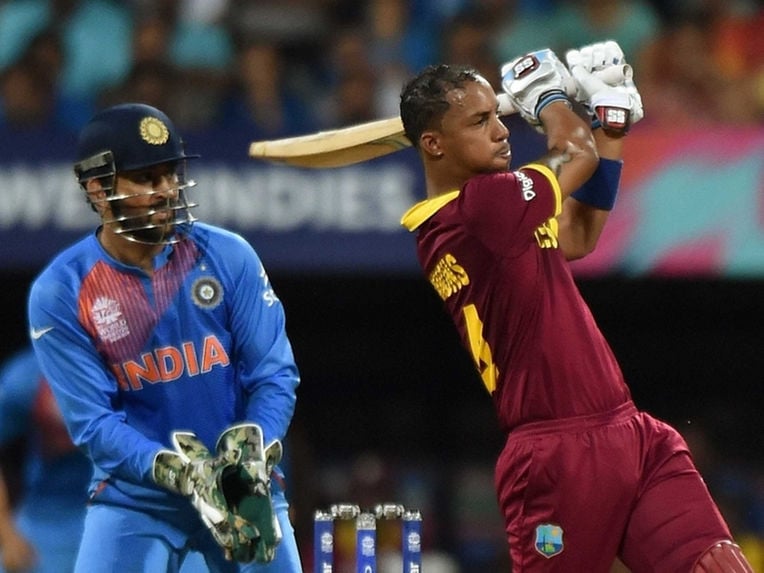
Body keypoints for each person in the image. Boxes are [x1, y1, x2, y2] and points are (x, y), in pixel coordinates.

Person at [398, 42, 754, 572]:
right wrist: (547, 95)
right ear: (433, 143)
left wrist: (610, 129)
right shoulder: (483, 210)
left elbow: (579, 236)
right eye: (479, 121)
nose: (499, 131)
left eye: (498, 114)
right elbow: (573, 151)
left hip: (633, 434)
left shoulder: (490, 216)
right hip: (556, 456)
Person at [26, 102, 303, 572]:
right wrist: (178, 472)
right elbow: (94, 424)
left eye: (171, 174)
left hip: (241, 489)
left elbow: (273, 375)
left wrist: (253, 450)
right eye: (147, 178)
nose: (167, 191)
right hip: (136, 501)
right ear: (98, 189)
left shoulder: (228, 255)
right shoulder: (62, 291)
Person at [0, 346, 90, 573]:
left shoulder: (148, 367)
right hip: (48, 520)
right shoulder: (25, 377)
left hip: (124, 513)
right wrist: (6, 532)